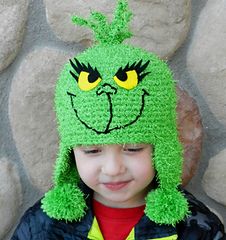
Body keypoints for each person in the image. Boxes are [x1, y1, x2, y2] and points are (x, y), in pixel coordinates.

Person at [12, 0, 225, 239]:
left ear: (162, 149)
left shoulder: (196, 228)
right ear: (70, 153)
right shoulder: (42, 226)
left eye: (133, 148)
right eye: (92, 150)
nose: (113, 169)